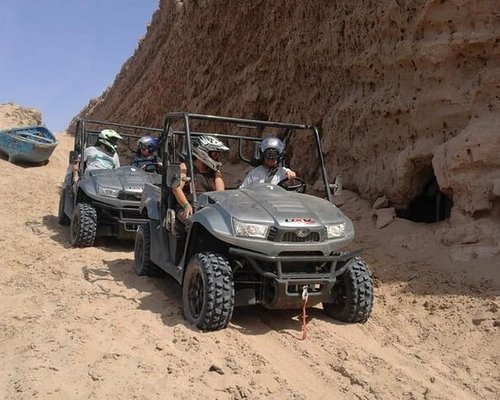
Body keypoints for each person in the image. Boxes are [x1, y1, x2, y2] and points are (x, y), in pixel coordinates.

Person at [173, 135, 229, 221]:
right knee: (192, 221)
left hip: (208, 209)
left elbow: (220, 194)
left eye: (218, 154)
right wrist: (186, 205)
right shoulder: (185, 167)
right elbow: (177, 188)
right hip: (187, 207)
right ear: (203, 152)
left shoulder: (215, 172)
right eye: (215, 154)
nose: (217, 157)